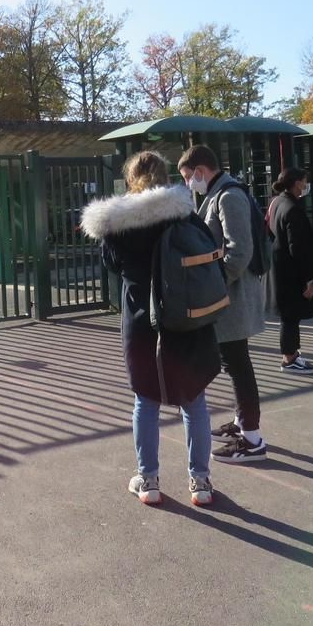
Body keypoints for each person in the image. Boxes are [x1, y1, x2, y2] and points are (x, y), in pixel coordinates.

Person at [81, 151, 221, 506]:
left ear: (130, 180)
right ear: (164, 178)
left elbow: (112, 264)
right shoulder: (183, 211)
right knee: (194, 399)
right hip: (185, 318)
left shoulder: (117, 223)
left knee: (145, 399)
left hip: (141, 319)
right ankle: (200, 483)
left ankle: (148, 480)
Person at [177, 146, 267, 464]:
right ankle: (244, 423)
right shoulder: (219, 193)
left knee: (238, 364)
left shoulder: (228, 196)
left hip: (232, 295)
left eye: (189, 177)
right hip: (230, 294)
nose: (189, 184)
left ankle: (252, 439)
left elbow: (239, 251)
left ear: (201, 170)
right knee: (234, 363)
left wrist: (213, 285)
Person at [267, 167, 313, 373]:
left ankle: (292, 354)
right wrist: (308, 279)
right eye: (304, 180)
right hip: (291, 273)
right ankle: (289, 358)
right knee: (290, 317)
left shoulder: (276, 202)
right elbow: (297, 247)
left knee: (288, 316)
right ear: (297, 182)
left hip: (279, 268)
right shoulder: (293, 209)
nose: (306, 184)